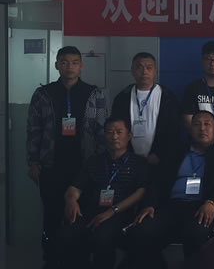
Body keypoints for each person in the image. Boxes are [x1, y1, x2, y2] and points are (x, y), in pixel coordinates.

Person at [26, 45, 108, 266]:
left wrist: (102, 164)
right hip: (51, 165)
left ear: (81, 66)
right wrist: (33, 162)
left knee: (83, 215)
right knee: (52, 215)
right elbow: (33, 129)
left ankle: (81, 259)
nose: (69, 67)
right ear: (56, 65)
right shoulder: (43, 94)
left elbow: (102, 131)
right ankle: (51, 259)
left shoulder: (94, 94)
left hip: (85, 166)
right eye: (64, 62)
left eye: (74, 62)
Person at [128, 110, 214, 264]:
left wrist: (212, 202)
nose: (202, 128)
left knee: (196, 234)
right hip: (171, 206)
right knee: (141, 231)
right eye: (197, 124)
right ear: (190, 129)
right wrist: (150, 204)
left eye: (207, 124)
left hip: (202, 207)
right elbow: (157, 181)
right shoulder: (175, 152)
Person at [57, 116, 147, 269]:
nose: (114, 136)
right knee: (68, 233)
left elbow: (140, 192)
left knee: (103, 236)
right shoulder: (94, 161)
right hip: (93, 211)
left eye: (119, 132)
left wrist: (112, 211)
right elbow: (75, 188)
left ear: (129, 136)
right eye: (110, 132)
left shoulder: (138, 163)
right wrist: (71, 200)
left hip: (121, 213)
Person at [111, 52, 182, 165]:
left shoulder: (168, 98)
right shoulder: (122, 98)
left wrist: (159, 154)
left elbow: (174, 130)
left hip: (160, 161)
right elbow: (115, 129)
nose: (144, 72)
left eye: (149, 67)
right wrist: (126, 154)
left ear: (155, 70)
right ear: (132, 70)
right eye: (139, 67)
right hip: (127, 160)